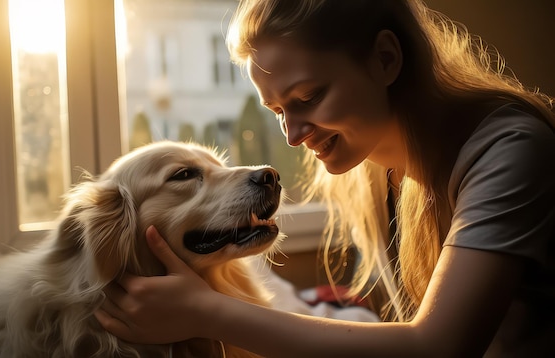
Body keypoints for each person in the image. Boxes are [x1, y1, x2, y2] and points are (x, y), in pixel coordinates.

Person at [95, 0, 555, 356]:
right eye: (277, 111)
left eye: (308, 96)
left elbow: (437, 347)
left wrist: (204, 311)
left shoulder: (512, 150)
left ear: (386, 59)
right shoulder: (366, 168)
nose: (293, 135)